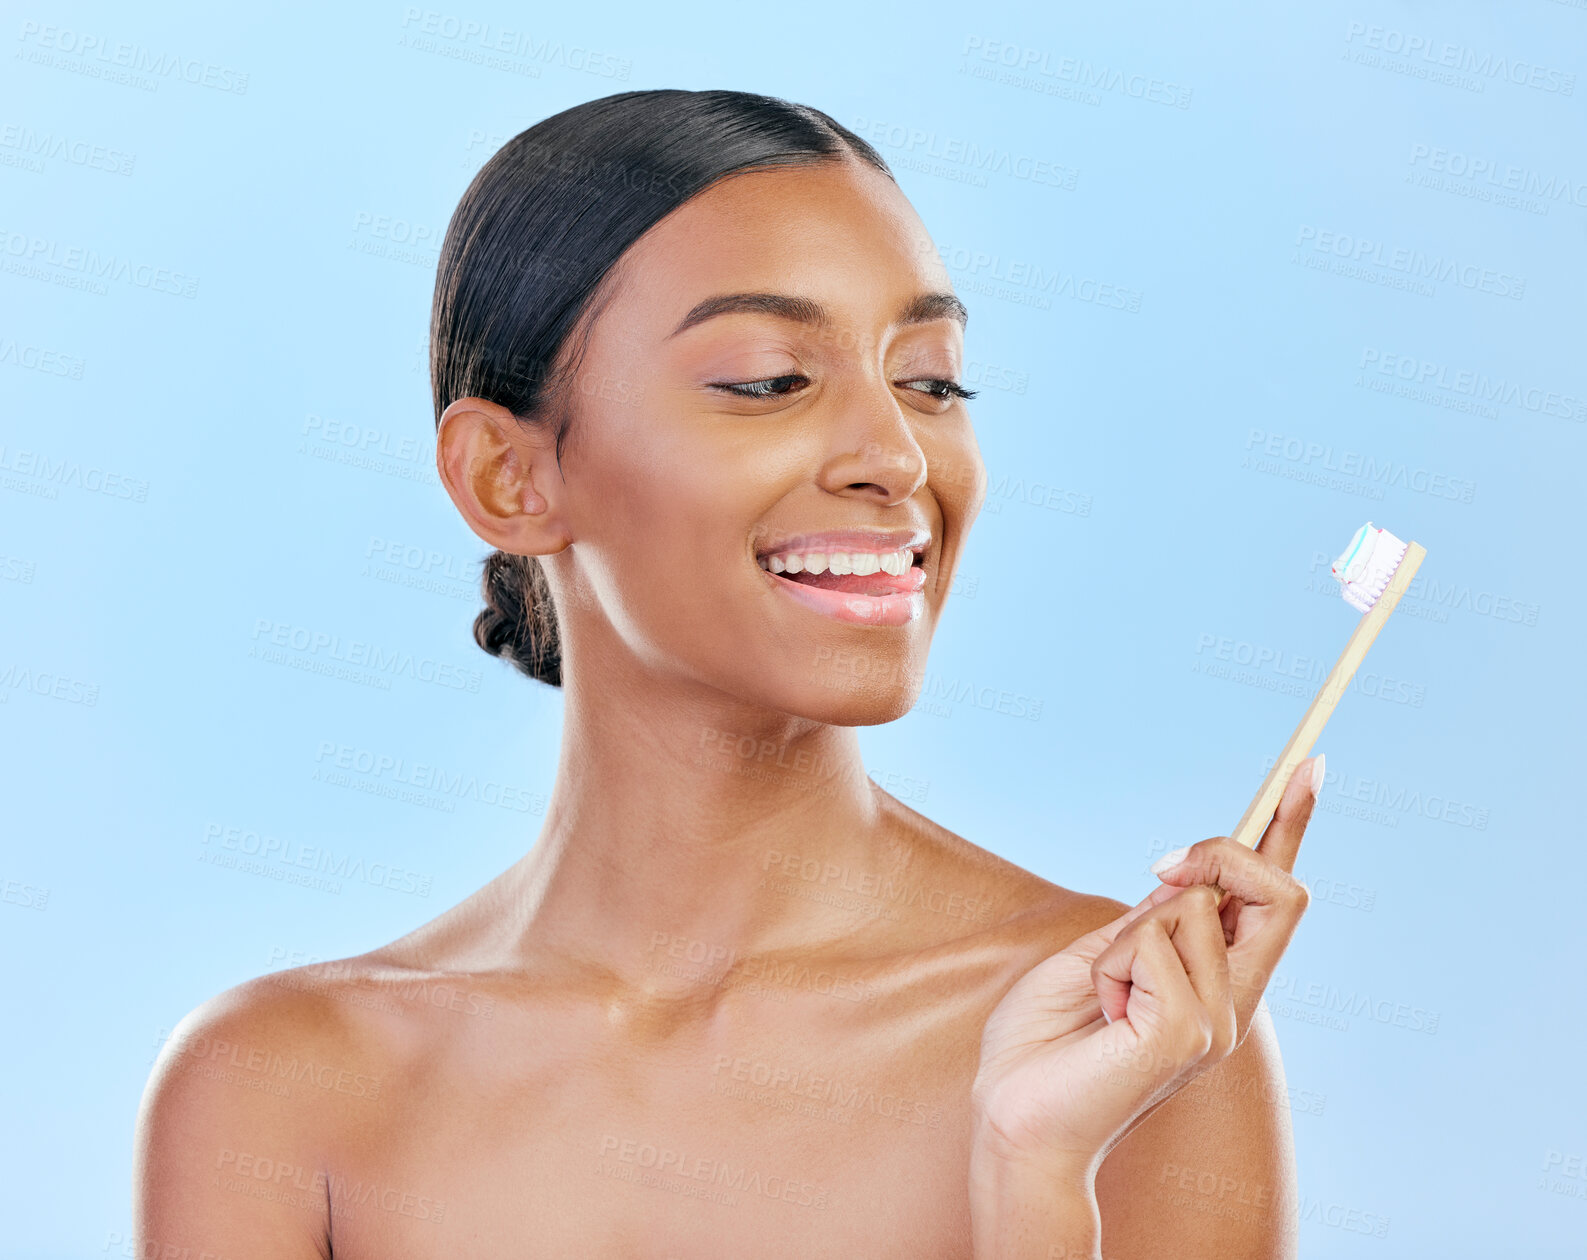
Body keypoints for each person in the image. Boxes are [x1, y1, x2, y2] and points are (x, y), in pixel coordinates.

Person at [135, 88, 1319, 1259]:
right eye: (767, 380)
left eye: (932, 380)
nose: (897, 456)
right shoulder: (276, 1087)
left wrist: (1034, 1174)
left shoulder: (1139, 1035)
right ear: (510, 478)